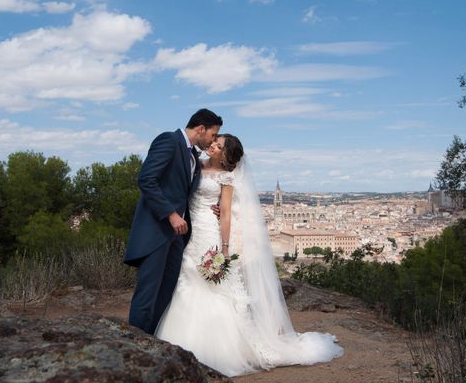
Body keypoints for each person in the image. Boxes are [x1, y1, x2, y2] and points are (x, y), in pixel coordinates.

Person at [156, 134, 343, 376]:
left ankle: (220, 350)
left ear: (225, 156)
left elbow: (224, 213)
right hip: (192, 233)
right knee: (188, 281)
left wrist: (224, 248)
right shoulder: (195, 165)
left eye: (218, 144)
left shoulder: (227, 177)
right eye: (214, 141)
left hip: (211, 235)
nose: (212, 144)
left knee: (218, 287)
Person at [124, 109, 223, 334]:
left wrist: (212, 207)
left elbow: (186, 194)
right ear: (201, 129)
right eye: (213, 134)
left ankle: (153, 340)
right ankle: (135, 343)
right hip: (156, 232)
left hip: (177, 237)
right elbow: (146, 179)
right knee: (148, 292)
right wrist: (170, 214)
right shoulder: (168, 140)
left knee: (166, 292)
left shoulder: (194, 159)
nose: (213, 140)